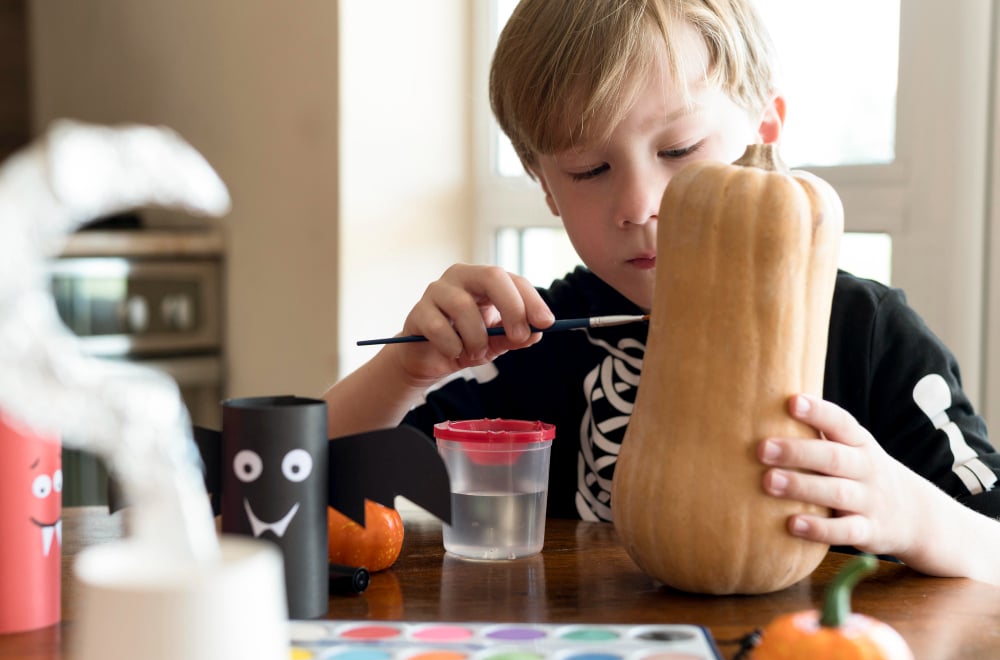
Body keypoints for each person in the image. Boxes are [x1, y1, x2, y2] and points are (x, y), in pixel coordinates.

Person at [324, 0, 1000, 585]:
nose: (640, 203)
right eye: (590, 168)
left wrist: (916, 516)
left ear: (765, 134)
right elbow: (287, 486)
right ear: (544, 186)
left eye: (678, 150)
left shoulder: (869, 333)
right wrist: (404, 371)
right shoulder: (532, 342)